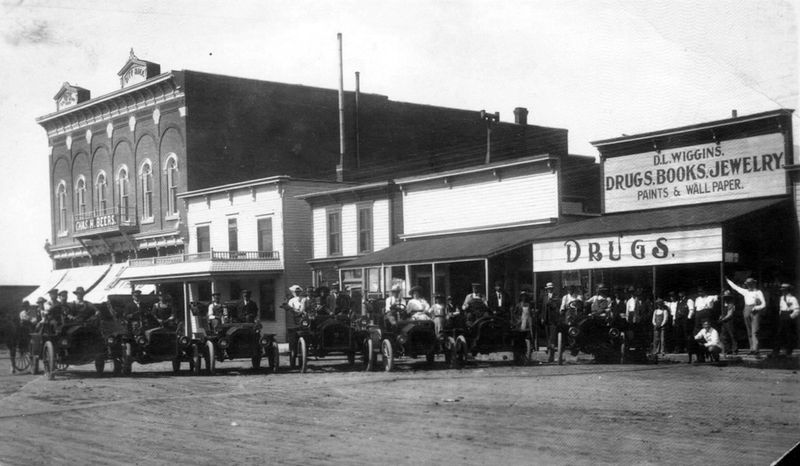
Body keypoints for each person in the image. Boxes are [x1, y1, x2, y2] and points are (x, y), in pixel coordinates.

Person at [726, 277, 766, 355]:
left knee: (755, 331)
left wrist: (757, 307)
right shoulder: (745, 292)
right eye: (748, 284)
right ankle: (752, 349)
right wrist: (728, 280)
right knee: (749, 331)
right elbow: (735, 287)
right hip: (747, 309)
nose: (749, 286)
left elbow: (764, 304)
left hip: (755, 310)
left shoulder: (758, 292)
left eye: (750, 284)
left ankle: (755, 349)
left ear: (754, 284)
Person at [774, 283, 800, 357]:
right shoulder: (781, 298)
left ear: (788, 290)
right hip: (782, 315)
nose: (783, 292)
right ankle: (776, 351)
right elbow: (781, 307)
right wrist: (781, 314)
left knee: (789, 334)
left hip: (789, 315)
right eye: (782, 290)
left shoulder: (793, 298)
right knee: (779, 334)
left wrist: (791, 316)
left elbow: (797, 309)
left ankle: (788, 351)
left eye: (785, 290)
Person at [539, 282, 561, 362]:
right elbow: (542, 308)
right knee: (548, 336)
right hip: (546, 318)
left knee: (552, 337)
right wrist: (542, 317)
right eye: (548, 288)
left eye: (551, 288)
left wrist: (551, 302)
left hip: (553, 319)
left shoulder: (556, 296)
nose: (549, 290)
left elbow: (557, 306)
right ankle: (549, 352)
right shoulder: (544, 296)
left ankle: (552, 354)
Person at [718, 290, 738, 355]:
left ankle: (734, 349)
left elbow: (730, 314)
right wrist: (721, 317)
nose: (725, 297)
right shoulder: (723, 303)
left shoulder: (731, 303)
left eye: (727, 296)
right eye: (725, 296)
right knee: (724, 335)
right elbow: (722, 312)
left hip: (730, 321)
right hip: (724, 321)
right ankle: (727, 349)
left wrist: (723, 319)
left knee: (732, 335)